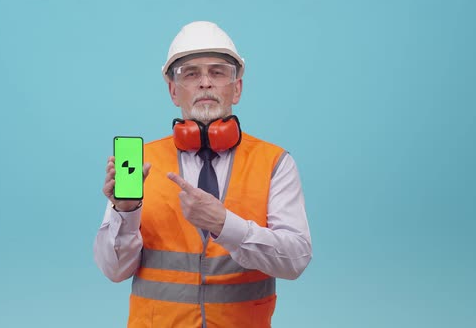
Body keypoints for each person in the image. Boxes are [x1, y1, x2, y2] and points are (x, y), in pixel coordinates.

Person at [94, 21, 312, 328]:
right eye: (191, 74)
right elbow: (114, 270)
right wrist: (125, 212)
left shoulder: (275, 163)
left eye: (218, 72)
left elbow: (295, 261)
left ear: (237, 88)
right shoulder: (141, 164)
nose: (205, 83)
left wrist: (225, 225)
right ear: (173, 91)